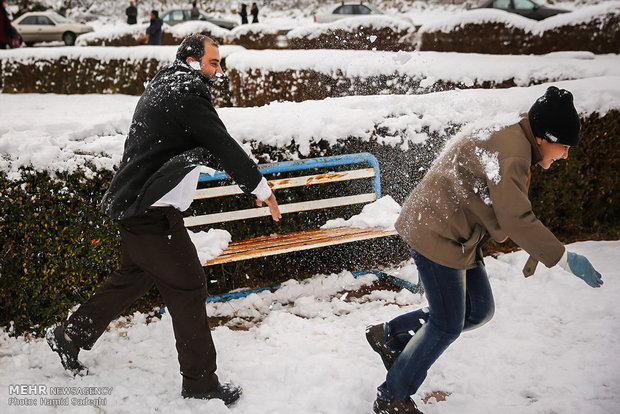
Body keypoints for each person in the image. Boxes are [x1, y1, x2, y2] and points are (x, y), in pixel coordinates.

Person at [46, 34, 281, 406]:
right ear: (191, 61)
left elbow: (199, 145)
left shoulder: (168, 87)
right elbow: (221, 142)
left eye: (220, 64)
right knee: (189, 288)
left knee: (131, 280)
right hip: (151, 216)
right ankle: (201, 384)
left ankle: (70, 335)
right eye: (213, 63)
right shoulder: (186, 94)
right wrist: (258, 187)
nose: (219, 71)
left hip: (140, 210)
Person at [365, 86, 604, 414]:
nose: (565, 155)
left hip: (456, 233)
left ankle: (389, 335)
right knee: (447, 323)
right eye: (564, 147)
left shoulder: (516, 137)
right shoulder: (514, 154)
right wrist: (564, 259)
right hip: (438, 232)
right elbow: (517, 219)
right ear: (544, 138)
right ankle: (391, 397)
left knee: (478, 309)